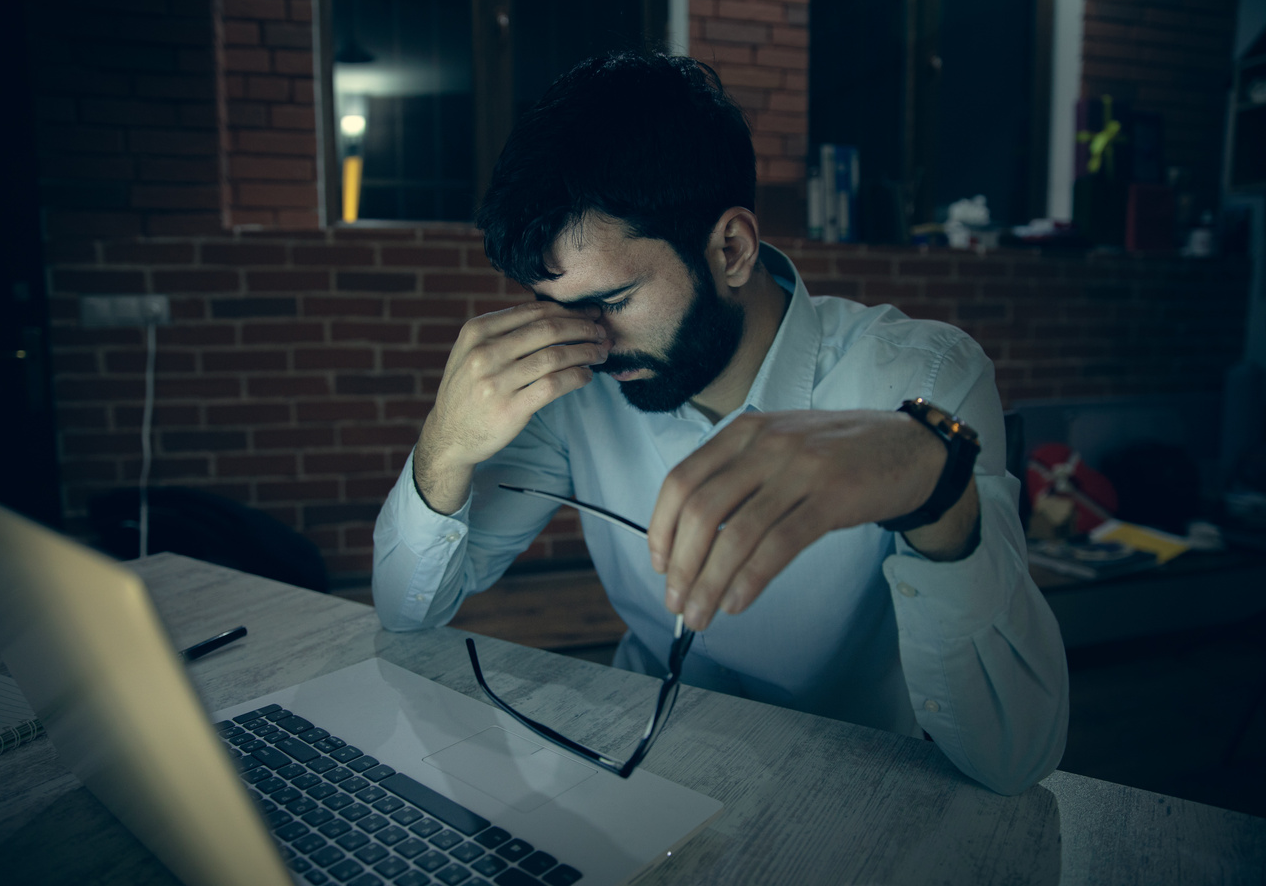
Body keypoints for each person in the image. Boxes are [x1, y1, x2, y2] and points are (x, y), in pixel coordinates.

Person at [372, 51, 1068, 796]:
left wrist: (933, 486)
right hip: (636, 778)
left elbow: (1017, 757)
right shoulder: (573, 387)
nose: (588, 343)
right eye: (557, 309)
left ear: (731, 248)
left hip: (842, 803)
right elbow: (407, 609)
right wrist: (443, 442)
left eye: (610, 301)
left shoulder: (921, 382)